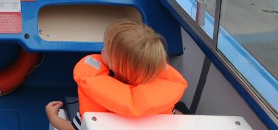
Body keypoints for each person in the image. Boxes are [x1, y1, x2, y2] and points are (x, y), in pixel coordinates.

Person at [46, 19, 188, 130]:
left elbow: (76, 128)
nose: (102, 46)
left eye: (105, 46)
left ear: (114, 63)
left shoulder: (97, 97)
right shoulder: (161, 100)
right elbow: (173, 117)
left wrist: (53, 117)